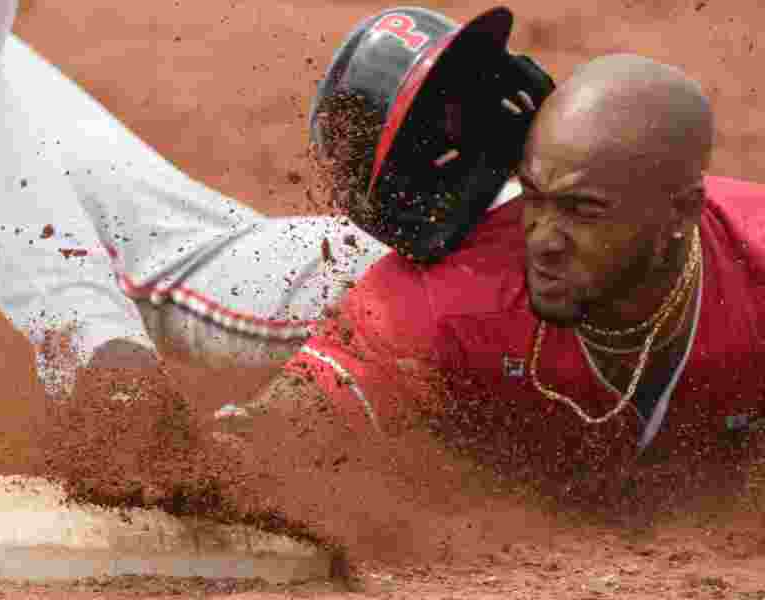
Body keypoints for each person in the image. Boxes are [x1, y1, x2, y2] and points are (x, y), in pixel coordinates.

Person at [0, 3, 551, 408]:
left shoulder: (648, 199)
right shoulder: (428, 308)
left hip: (372, 260)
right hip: (355, 276)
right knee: (185, 260)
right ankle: (100, 366)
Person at [267, 52, 765, 500]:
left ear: (682, 213)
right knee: (204, 266)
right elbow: (266, 437)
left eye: (582, 209)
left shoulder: (751, 265)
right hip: (330, 270)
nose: (544, 239)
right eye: (535, 196)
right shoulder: (443, 300)